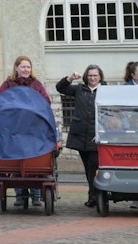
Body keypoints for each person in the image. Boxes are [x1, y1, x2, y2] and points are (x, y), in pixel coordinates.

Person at [0, 55, 52, 207]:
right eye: (23, 66)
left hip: (34, 128)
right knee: (16, 161)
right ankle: (20, 195)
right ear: (16, 68)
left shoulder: (36, 85)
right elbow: (2, 102)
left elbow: (45, 102)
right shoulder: (8, 84)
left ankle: (36, 195)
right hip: (14, 129)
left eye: (28, 67)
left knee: (34, 161)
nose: (26, 69)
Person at [57, 65, 104, 208]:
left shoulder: (105, 90)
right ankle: (93, 195)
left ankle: (95, 196)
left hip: (97, 135)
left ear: (100, 77)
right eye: (90, 75)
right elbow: (61, 88)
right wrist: (69, 78)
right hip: (81, 136)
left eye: (95, 75)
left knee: (94, 166)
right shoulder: (79, 89)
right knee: (88, 167)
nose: (92, 78)